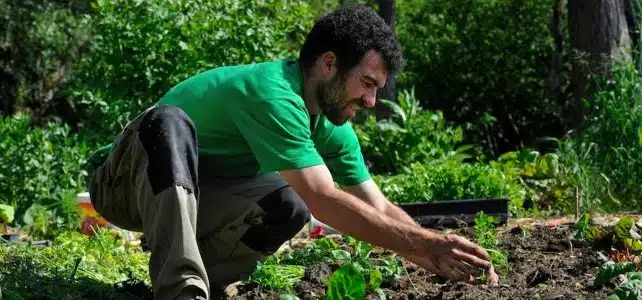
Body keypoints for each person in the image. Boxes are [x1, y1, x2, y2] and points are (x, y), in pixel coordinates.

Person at [86, 3, 498, 300]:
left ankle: (202, 279)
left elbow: (379, 207)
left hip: (195, 197)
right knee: (169, 120)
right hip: (123, 183)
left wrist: (438, 257)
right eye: (368, 83)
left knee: (288, 205)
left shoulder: (329, 120)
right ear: (330, 63)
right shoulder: (273, 94)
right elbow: (324, 198)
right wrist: (428, 243)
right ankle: (181, 292)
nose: (372, 101)